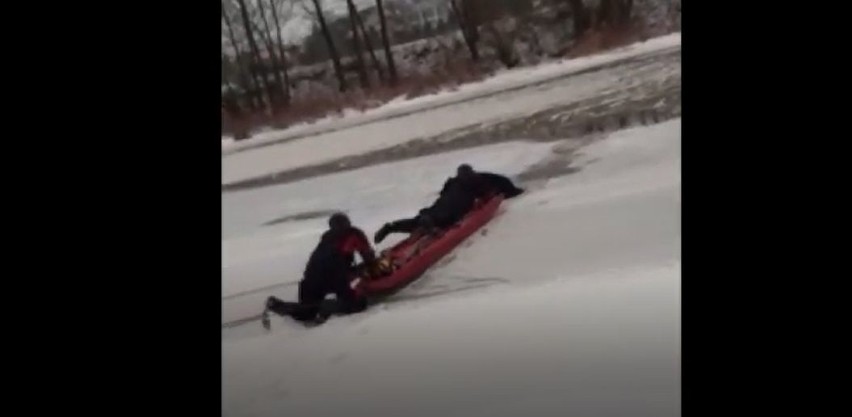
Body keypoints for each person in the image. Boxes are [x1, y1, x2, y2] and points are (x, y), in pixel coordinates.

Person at [373, 164, 525, 243]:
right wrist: (505, 193)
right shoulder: (477, 180)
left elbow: (443, 194)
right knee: (440, 218)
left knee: (423, 218)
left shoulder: (452, 182)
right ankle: (429, 226)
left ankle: (392, 227)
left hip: (440, 206)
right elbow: (496, 186)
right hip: (453, 212)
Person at [290, 212, 377, 322]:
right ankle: (326, 307)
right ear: (347, 223)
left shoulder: (326, 237)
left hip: (311, 273)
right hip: (334, 271)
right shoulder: (354, 233)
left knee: (306, 313)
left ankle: (277, 305)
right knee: (356, 304)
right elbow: (368, 256)